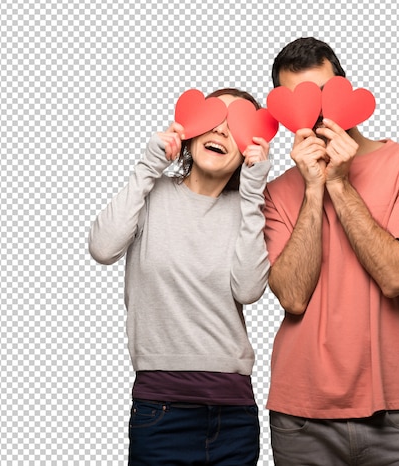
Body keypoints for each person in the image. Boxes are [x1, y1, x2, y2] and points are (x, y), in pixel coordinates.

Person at [263, 37, 399, 465]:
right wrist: (313, 188)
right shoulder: (276, 192)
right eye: (299, 102)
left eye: (323, 95)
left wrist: (340, 185)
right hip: (300, 413)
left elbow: (395, 277)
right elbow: (291, 296)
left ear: (344, 89)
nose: (316, 113)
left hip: (393, 409)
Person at [88, 88, 271, 465]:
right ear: (191, 130)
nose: (220, 131)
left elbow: (249, 289)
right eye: (213, 119)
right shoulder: (152, 195)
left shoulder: (248, 208)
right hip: (161, 409)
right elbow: (102, 249)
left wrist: (254, 195)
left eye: (234, 126)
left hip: (234, 413)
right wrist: (147, 165)